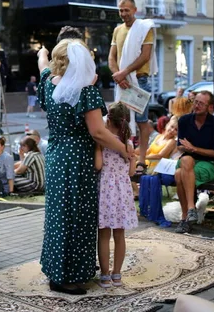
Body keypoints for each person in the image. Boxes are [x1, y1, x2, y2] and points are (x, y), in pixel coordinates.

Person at [37, 40, 129, 295]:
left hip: (56, 158)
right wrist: (123, 149)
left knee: (58, 216)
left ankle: (57, 271)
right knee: (77, 217)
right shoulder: (85, 91)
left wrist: (42, 53)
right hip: (77, 161)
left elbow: (43, 65)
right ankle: (70, 277)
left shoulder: (48, 83)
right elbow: (98, 132)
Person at [109, 0, 157, 177]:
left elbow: (145, 56)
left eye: (126, 10)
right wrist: (118, 75)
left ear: (135, 10)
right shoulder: (117, 30)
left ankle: (141, 160)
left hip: (139, 80)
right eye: (121, 10)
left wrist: (124, 72)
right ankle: (126, 156)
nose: (123, 14)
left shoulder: (145, 28)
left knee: (141, 122)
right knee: (121, 122)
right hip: (122, 82)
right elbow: (111, 57)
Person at [95, 102, 138, 288]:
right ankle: (117, 275)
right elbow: (130, 173)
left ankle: (104, 275)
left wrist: (97, 149)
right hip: (122, 192)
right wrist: (134, 159)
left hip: (105, 190)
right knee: (120, 235)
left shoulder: (102, 143)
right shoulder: (127, 144)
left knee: (104, 235)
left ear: (108, 120)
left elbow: (98, 166)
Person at [174, 90, 214, 234]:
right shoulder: (184, 120)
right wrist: (187, 149)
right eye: (195, 102)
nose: (197, 106)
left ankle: (185, 218)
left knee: (179, 175)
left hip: (208, 163)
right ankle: (191, 209)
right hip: (187, 160)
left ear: (209, 107)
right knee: (186, 159)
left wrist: (194, 149)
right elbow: (179, 146)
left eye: (201, 104)